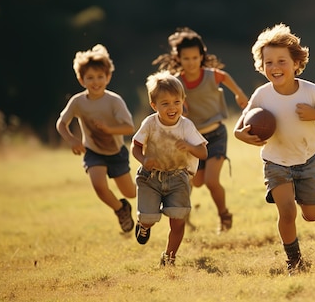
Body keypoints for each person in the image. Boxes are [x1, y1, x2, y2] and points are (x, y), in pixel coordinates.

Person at [234, 23, 315, 275]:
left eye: (282, 61)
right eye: (269, 62)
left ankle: (306, 201)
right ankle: (293, 260)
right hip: (276, 162)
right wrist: (242, 135)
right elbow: (238, 128)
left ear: (296, 63)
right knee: (286, 211)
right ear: (261, 66)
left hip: (308, 161)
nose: (275, 67)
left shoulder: (311, 91)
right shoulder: (261, 95)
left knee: (313, 215)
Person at [153, 27, 248, 232]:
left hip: (216, 134)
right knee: (196, 183)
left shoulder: (211, 75)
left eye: (195, 57)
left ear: (202, 56)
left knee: (212, 181)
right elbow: (172, 101)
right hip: (193, 139)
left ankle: (224, 215)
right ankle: (183, 217)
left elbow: (224, 77)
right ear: (178, 58)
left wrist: (239, 94)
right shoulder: (177, 81)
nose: (191, 62)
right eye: (186, 58)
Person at [56, 44, 136, 233]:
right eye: (90, 77)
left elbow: (129, 128)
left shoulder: (114, 101)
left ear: (108, 77)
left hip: (116, 153)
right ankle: (120, 209)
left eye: (100, 76)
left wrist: (109, 129)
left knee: (130, 193)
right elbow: (61, 123)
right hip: (93, 152)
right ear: (81, 79)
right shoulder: (78, 102)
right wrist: (72, 140)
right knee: (100, 187)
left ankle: (133, 199)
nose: (96, 82)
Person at [131, 71, 208, 266]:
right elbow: (136, 145)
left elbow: (203, 152)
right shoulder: (150, 123)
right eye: (165, 103)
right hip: (151, 177)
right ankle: (143, 225)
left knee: (178, 219)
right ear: (154, 105)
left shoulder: (186, 126)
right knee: (148, 218)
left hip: (178, 178)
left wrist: (190, 147)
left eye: (176, 102)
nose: (172, 107)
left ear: (183, 101)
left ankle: (169, 257)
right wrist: (143, 159)